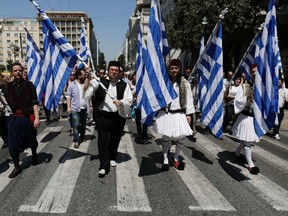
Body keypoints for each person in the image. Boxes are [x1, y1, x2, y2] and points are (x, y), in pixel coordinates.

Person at [92, 60, 132, 178]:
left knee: (115, 139)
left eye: (116, 70)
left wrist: (121, 102)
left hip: (117, 117)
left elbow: (129, 99)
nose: (114, 72)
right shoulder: (100, 82)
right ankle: (103, 166)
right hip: (103, 117)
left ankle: (112, 156)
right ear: (108, 71)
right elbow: (90, 88)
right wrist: (89, 76)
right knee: (103, 141)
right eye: (111, 70)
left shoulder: (124, 85)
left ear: (119, 72)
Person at [153, 59, 195, 171]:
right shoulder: (165, 82)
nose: (174, 70)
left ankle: (176, 157)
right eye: (172, 68)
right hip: (167, 113)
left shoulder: (185, 83)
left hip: (180, 113)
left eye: (176, 68)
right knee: (166, 137)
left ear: (179, 69)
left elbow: (189, 99)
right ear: (169, 69)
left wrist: (189, 114)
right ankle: (165, 159)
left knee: (182, 137)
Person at [2, 62, 40, 178]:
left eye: (19, 70)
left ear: (23, 71)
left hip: (27, 119)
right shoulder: (7, 87)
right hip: (13, 120)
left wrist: (37, 118)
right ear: (12, 72)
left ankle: (34, 155)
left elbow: (34, 103)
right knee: (13, 145)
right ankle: (17, 167)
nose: (18, 72)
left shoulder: (30, 85)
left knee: (32, 140)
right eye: (15, 70)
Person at [231, 64, 260, 174]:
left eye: (256, 72)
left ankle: (237, 153)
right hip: (246, 116)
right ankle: (250, 165)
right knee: (248, 141)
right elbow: (237, 101)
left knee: (246, 139)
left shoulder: (262, 87)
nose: (254, 74)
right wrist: (247, 98)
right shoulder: (245, 86)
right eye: (252, 72)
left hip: (255, 118)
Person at [66, 67, 93, 148]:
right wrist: (68, 107)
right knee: (76, 124)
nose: (84, 76)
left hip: (84, 108)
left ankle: (82, 135)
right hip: (75, 108)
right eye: (83, 75)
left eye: (85, 75)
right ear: (79, 76)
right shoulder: (72, 85)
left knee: (83, 125)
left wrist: (88, 74)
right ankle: (76, 141)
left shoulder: (85, 83)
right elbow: (68, 97)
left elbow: (88, 93)